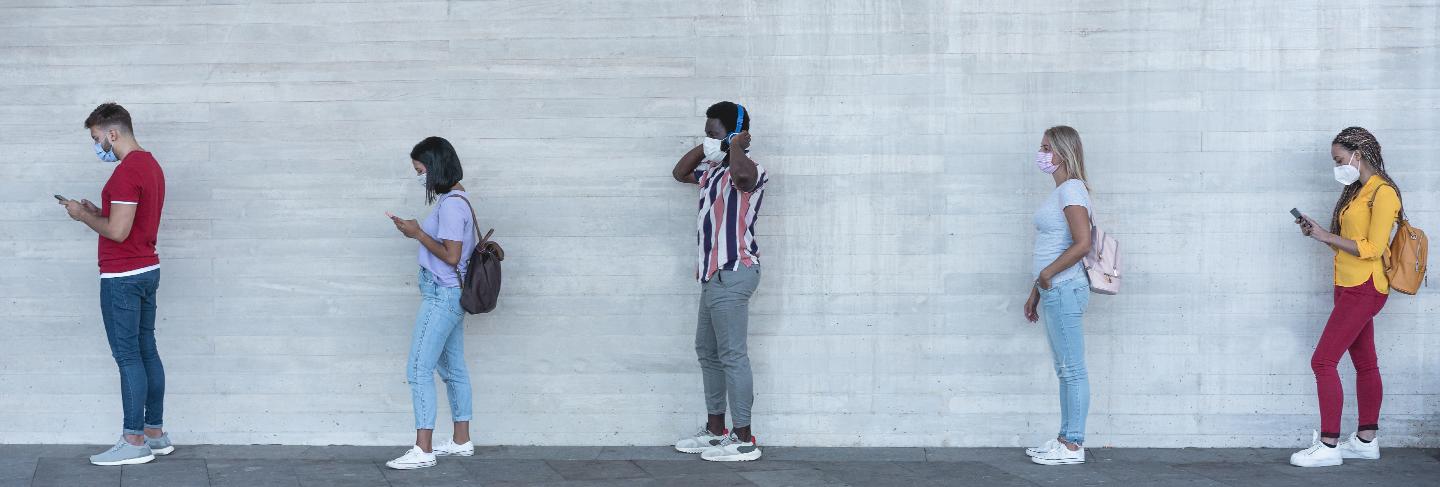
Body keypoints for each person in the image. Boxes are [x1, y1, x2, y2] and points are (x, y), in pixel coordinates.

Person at [61, 103, 175, 466]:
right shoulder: (151, 165)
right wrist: (98, 213)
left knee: (128, 357)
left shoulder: (126, 173)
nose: (97, 146)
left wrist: (82, 217)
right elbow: (128, 223)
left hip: (122, 277)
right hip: (146, 270)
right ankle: (155, 434)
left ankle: (133, 441)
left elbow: (118, 232)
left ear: (113, 133)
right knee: (146, 351)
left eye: (97, 138)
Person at [1288, 127, 1401, 467]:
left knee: (1322, 361)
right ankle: (1366, 440)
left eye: (1339, 159)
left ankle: (1329, 445)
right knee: (1365, 363)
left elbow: (1372, 248)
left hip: (1365, 287)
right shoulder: (1358, 190)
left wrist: (1325, 236)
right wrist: (1320, 234)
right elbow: (1350, 238)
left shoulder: (1383, 193)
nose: (1338, 166)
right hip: (1348, 285)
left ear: (1359, 153)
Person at [669, 102, 768, 462]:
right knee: (707, 352)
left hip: (735, 271)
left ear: (732, 132)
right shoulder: (710, 173)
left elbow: (744, 179)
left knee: (731, 355)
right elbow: (680, 173)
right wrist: (709, 147)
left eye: (712, 131)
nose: (707, 136)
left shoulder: (751, 169)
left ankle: (743, 439)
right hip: (712, 275)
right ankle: (715, 432)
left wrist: (736, 146)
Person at [384, 137, 479, 470]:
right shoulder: (458, 199)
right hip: (451, 293)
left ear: (435, 166)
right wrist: (418, 231)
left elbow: (452, 256)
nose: (420, 177)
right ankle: (461, 440)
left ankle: (423, 449)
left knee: (417, 369)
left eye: (420, 170)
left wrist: (417, 234)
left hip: (443, 293)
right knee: (453, 368)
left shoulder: (452, 204)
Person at [1022, 126, 1094, 466]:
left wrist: (1048, 276)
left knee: (1073, 370)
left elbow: (1082, 244)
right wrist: (1035, 291)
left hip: (1065, 288)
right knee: (1064, 370)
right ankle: (1066, 438)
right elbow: (1050, 246)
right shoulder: (1062, 191)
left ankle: (1072, 445)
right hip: (1054, 290)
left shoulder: (1072, 191)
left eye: (1047, 147)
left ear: (1063, 153)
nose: (1042, 153)